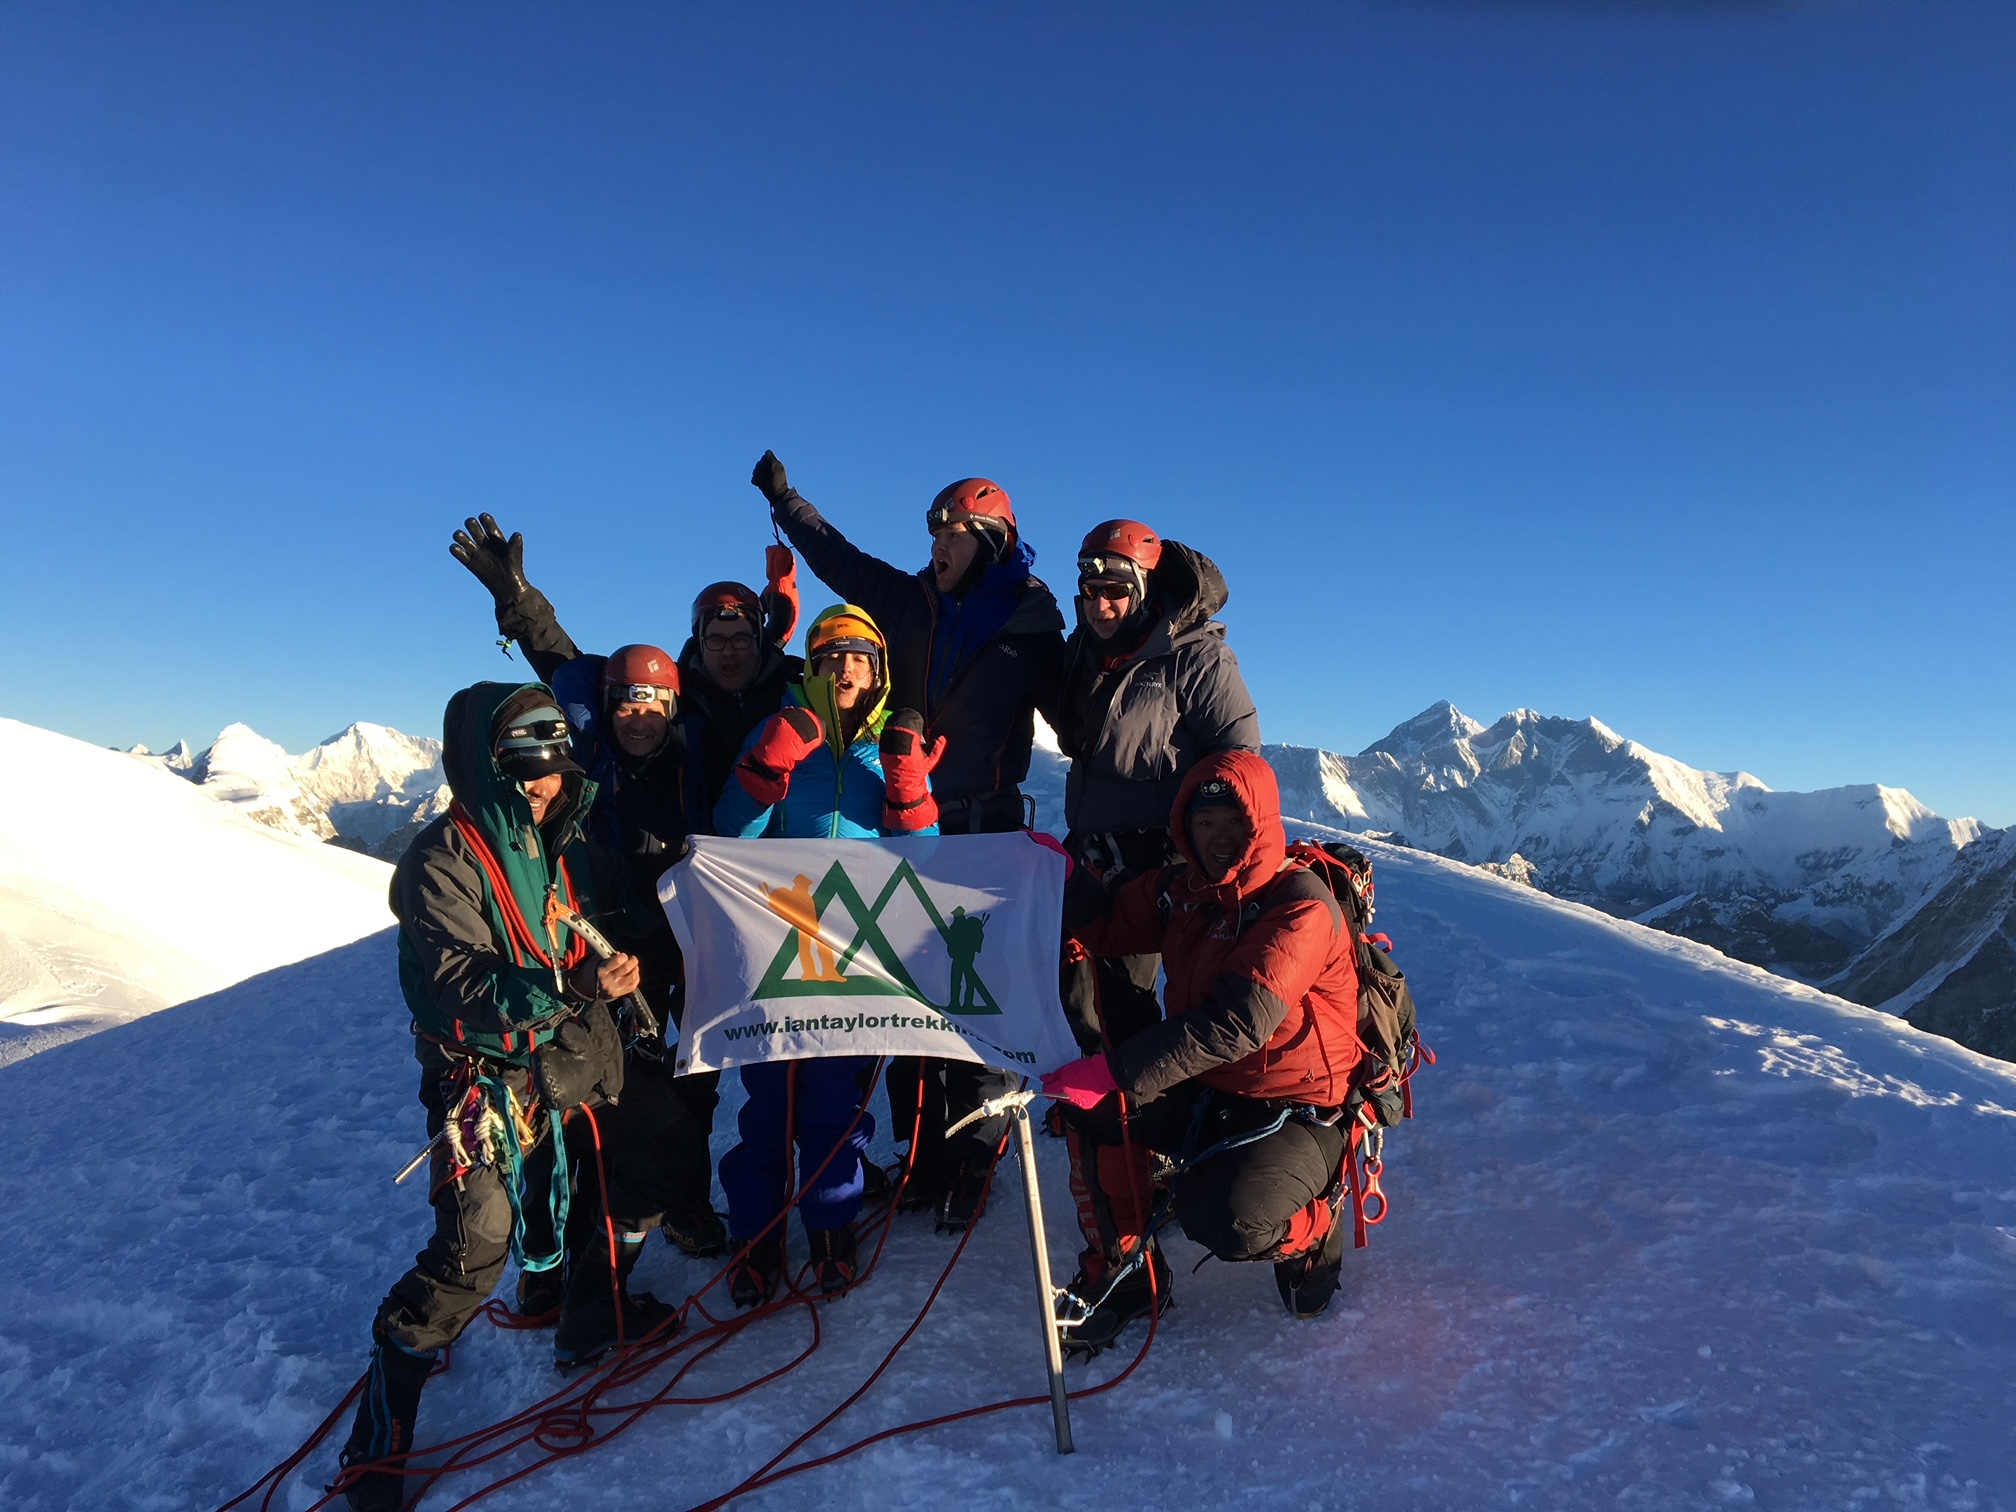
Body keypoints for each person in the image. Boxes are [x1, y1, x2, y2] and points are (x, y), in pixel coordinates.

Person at [339, 682, 705, 1512]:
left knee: (657, 1149)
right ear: (486, 768)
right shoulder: (439, 863)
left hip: (571, 1057)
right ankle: (383, 1419)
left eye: (552, 772)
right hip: (484, 1076)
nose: (542, 788)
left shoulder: (565, 845)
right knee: (475, 1249)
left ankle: (588, 1304)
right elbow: (458, 979)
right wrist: (571, 982)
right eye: (524, 773)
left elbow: (632, 904)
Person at [449, 515, 803, 1256]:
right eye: (716, 639)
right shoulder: (650, 712)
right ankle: (593, 1227)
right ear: (697, 645)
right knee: (611, 1078)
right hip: (613, 935)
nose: (639, 714)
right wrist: (515, 597)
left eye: (743, 639)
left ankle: (679, 1199)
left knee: (696, 1069)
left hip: (698, 925)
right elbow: (563, 659)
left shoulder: (758, 698)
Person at [749, 451, 1064, 1228]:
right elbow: (843, 562)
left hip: (984, 827)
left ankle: (972, 1162)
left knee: (971, 1006)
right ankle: (923, 1155)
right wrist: (788, 504)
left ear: (989, 537)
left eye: (950, 531)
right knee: (904, 998)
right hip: (901, 823)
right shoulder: (914, 602)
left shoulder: (1033, 623)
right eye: (932, 532)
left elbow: (1085, 715)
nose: (936, 545)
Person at [1040, 749, 1363, 1356]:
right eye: (1204, 822)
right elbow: (1110, 922)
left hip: (1294, 1105)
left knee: (1225, 1219)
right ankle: (1131, 1273)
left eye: (1233, 823)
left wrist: (1117, 1068)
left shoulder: (1298, 906)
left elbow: (1238, 1020)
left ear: (1260, 825)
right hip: (1213, 1085)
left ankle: (1315, 1227)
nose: (1218, 837)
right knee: (1096, 1113)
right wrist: (1061, 877)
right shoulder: (1185, 890)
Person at [712, 604, 943, 1304]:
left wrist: (909, 794)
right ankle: (755, 1235)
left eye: (858, 657)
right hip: (779, 951)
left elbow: (922, 868)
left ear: (878, 670)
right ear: (810, 670)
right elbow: (731, 835)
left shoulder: (895, 746)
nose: (844, 668)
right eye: (830, 657)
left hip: (856, 960)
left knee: (835, 1106)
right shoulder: (780, 729)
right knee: (768, 1107)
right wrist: (765, 767)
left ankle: (831, 1227)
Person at [1052, 519, 1261, 1055]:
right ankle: (1097, 1109)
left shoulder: (1195, 655)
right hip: (1093, 846)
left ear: (1144, 589)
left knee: (1125, 993)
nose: (1101, 606)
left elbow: (1237, 758)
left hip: (1159, 858)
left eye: (1116, 592)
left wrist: (1203, 850)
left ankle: (1135, 1119)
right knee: (1073, 983)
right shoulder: (1085, 652)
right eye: (1091, 592)